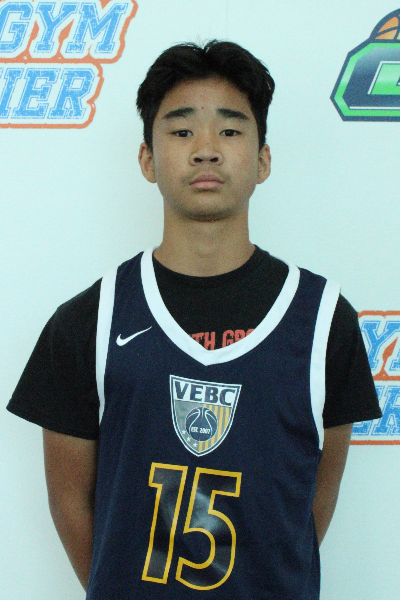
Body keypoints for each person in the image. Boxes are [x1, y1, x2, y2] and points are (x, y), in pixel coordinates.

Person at [7, 40, 382, 599]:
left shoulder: (325, 319)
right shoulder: (87, 321)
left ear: (263, 159)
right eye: (182, 131)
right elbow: (70, 503)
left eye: (229, 130)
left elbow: (308, 503)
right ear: (147, 159)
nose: (206, 150)